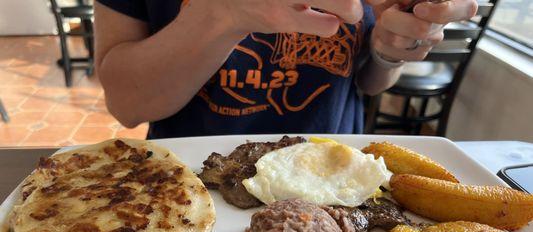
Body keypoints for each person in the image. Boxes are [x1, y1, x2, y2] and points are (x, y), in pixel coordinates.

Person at [94, 0, 477, 138]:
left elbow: (369, 81)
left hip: (333, 177)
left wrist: (390, 50)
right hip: (182, 190)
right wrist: (222, 14)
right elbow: (127, 105)